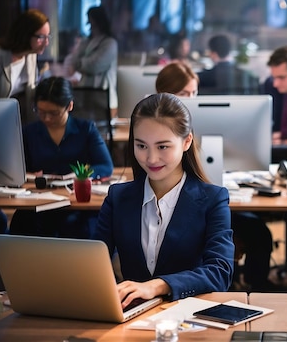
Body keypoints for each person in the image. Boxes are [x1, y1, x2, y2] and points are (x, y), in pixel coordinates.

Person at [94, 93, 234, 308]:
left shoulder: (213, 199)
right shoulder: (118, 197)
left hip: (188, 317)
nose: (150, 159)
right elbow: (95, 262)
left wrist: (157, 286)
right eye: (141, 146)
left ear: (186, 141)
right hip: (129, 317)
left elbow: (220, 272)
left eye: (162, 147)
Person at [155, 61, 274, 291]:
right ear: (164, 94)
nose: (191, 100)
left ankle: (255, 290)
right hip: (178, 204)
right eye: (183, 94)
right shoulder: (157, 132)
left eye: (194, 93)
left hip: (212, 196)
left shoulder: (201, 117)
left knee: (259, 232)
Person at [9, 76, 114, 238]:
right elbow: (18, 170)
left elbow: (105, 165)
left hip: (75, 203)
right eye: (41, 112)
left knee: (82, 228)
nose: (47, 118)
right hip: (40, 201)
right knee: (22, 225)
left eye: (54, 113)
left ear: (69, 106)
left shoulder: (86, 129)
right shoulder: (30, 132)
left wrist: (79, 176)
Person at [0, 9, 50, 125]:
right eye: (41, 37)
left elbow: (31, 93)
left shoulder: (31, 56)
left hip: (20, 122)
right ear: (25, 35)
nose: (46, 43)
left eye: (48, 36)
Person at [67, 6, 118, 117]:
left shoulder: (110, 43)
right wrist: (77, 63)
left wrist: (78, 64)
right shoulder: (86, 42)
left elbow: (95, 65)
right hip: (86, 93)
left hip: (103, 95)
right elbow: (72, 60)